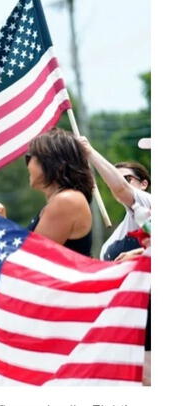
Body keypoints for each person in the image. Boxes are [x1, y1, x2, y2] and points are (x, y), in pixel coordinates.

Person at [78, 136, 151, 385]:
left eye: (127, 178)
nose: (119, 183)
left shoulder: (149, 203)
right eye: (115, 176)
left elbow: (120, 189)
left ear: (143, 184)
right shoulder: (111, 243)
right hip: (129, 321)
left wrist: (89, 150)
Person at [0, 128, 94, 255]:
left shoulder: (67, 200)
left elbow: (31, 259)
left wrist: (2, 228)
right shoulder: (64, 200)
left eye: (29, 158)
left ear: (53, 163)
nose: (27, 165)